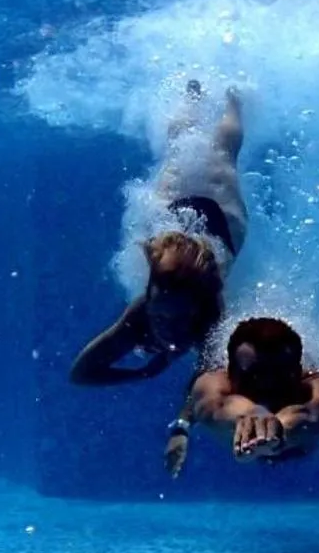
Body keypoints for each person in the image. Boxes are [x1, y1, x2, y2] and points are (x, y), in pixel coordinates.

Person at [70, 82, 248, 385]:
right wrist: (142, 372)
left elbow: (203, 385)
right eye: (161, 317)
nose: (170, 330)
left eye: (180, 319)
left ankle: (234, 101)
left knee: (213, 151)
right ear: (148, 303)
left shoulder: (211, 318)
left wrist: (182, 421)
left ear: (197, 309)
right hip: (220, 220)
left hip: (212, 219)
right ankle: (198, 97)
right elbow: (80, 373)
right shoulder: (139, 313)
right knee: (191, 150)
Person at [166, 317, 319, 476]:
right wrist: (181, 428)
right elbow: (213, 403)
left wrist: (279, 428)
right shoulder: (214, 381)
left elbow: (312, 414)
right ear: (230, 374)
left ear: (298, 373)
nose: (267, 387)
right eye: (254, 377)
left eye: (279, 376)